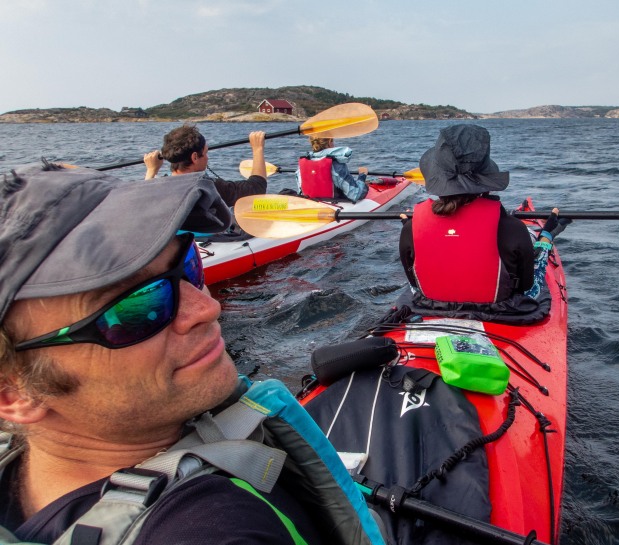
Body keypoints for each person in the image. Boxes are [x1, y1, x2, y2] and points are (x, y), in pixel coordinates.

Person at [0, 162, 383, 544]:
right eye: (135, 308)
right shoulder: (216, 526)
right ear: (13, 393)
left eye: (188, 265)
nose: (206, 308)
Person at [399, 124, 567, 306]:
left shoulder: (410, 229)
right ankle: (547, 235)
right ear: (485, 179)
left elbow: (414, 282)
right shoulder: (513, 228)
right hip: (500, 308)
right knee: (537, 258)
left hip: (433, 304)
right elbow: (526, 285)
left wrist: (416, 229)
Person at [144, 124, 268, 206]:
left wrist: (151, 170)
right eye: (205, 153)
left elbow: (142, 203)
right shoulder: (209, 187)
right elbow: (257, 188)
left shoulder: (158, 189)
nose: (207, 158)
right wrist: (257, 149)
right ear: (195, 157)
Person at [295, 136, 369, 202]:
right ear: (330, 142)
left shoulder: (301, 165)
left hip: (311, 205)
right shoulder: (335, 164)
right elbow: (355, 195)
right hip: (334, 206)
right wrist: (362, 176)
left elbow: (301, 192)